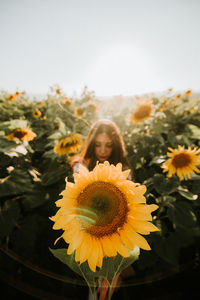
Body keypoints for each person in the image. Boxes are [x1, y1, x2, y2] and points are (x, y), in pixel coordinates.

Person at [70, 119, 135, 300]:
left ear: (116, 146)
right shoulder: (83, 165)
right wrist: (79, 166)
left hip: (113, 235)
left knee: (108, 284)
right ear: (92, 145)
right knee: (94, 284)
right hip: (88, 233)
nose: (103, 150)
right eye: (98, 145)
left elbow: (127, 214)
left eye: (108, 145)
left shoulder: (124, 172)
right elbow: (78, 166)